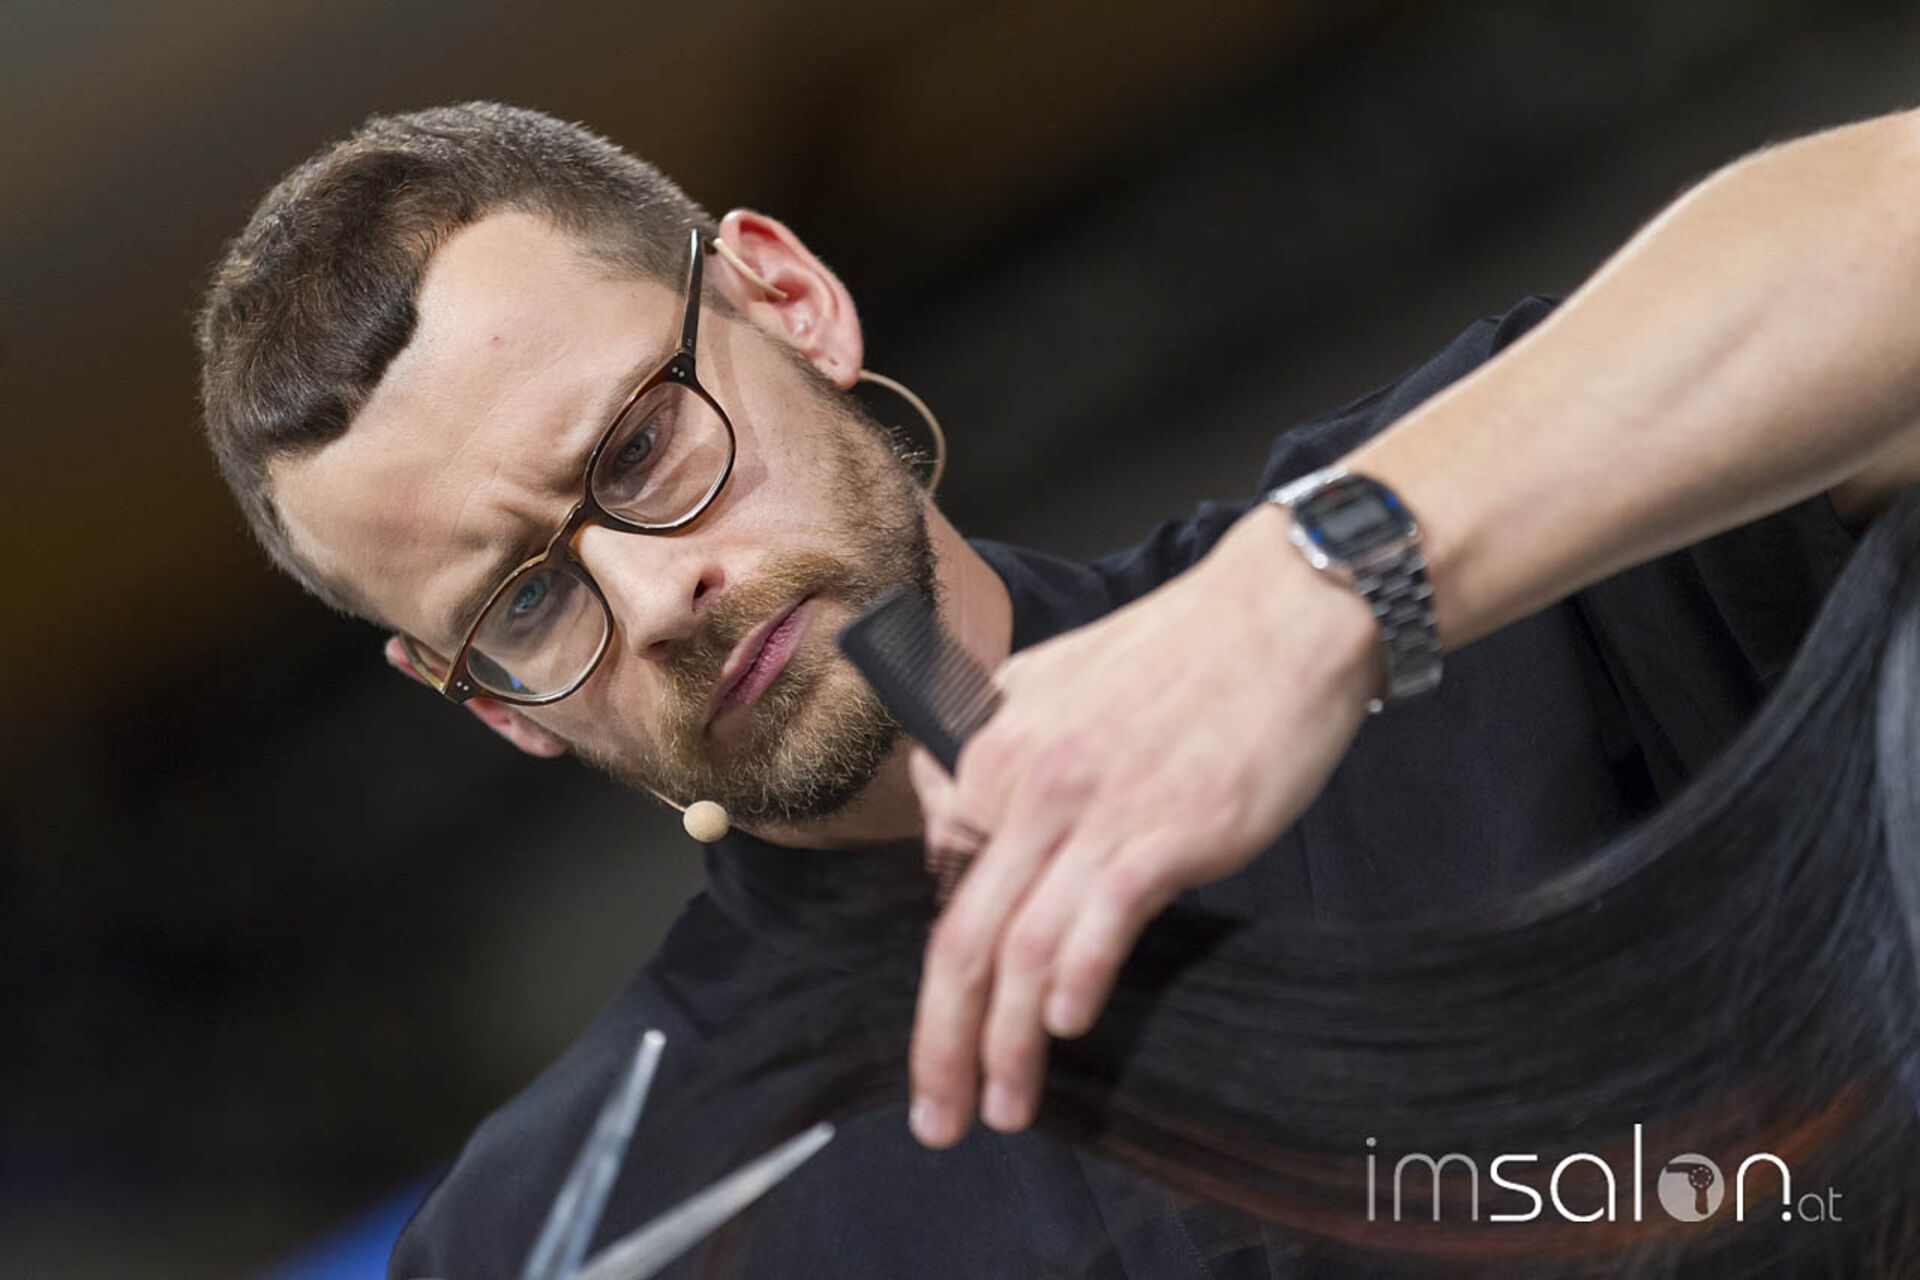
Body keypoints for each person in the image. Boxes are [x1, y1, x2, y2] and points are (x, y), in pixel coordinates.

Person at [193, 101, 1920, 1277]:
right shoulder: (572, 1228)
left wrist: (1324, 587)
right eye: (525, 600)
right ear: (489, 703)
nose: (656, 599)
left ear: (789, 301)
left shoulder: (1485, 588)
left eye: (642, 448)